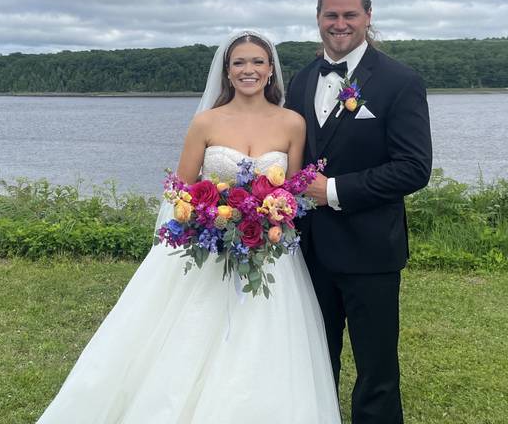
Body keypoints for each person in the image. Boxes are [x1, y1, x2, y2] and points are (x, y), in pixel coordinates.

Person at [37, 31, 341, 424]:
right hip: (209, 249)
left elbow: (293, 191)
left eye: (257, 62)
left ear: (270, 71)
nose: (248, 70)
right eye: (239, 63)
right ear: (227, 73)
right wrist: (206, 215)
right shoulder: (205, 123)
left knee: (265, 343)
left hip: (268, 254)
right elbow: (180, 190)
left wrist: (268, 217)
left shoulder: (292, 124)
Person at [285, 0, 433, 424]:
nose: (340, 23)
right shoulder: (301, 80)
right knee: (313, 361)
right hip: (308, 252)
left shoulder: (400, 81)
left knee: (377, 371)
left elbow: (413, 168)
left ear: (368, 17)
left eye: (350, 14)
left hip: (371, 251)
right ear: (318, 19)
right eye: (331, 15)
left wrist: (331, 191)